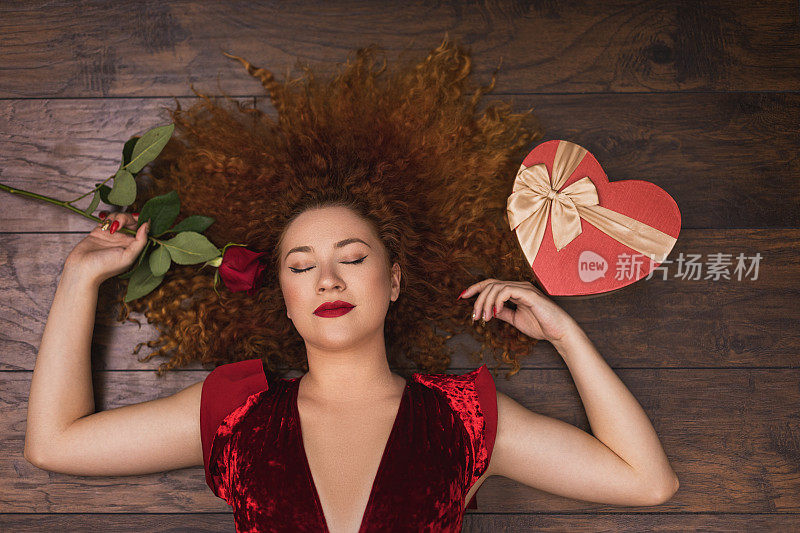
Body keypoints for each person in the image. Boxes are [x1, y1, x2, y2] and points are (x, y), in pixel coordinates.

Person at [24, 37, 679, 533]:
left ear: (394, 278)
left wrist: (565, 334)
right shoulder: (235, 413)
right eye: (301, 264)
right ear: (281, 291)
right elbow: (54, 443)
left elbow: (646, 481)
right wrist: (80, 280)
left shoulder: (465, 419)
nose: (328, 277)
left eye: (353, 256)